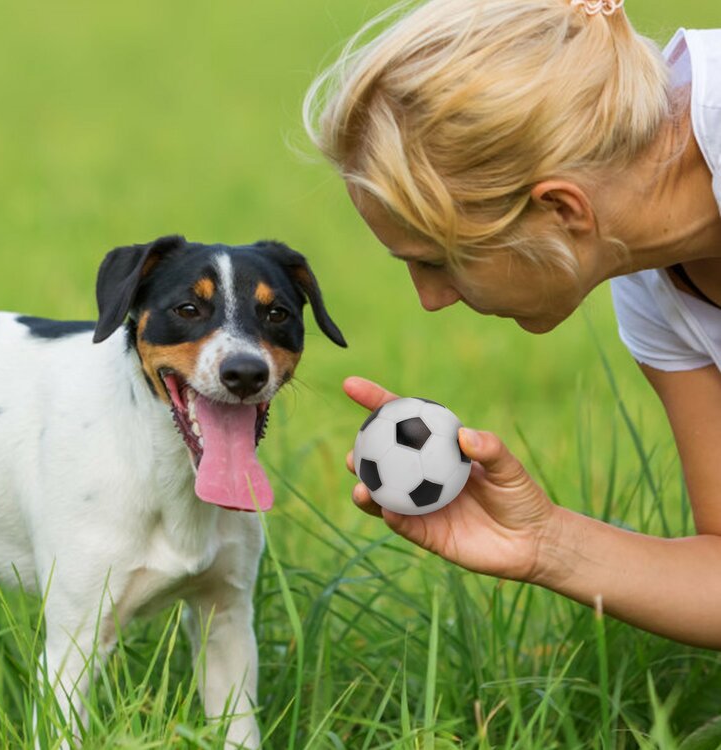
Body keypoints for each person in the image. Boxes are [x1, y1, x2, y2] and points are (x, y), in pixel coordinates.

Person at [303, 0, 721, 648]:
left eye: (437, 261)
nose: (430, 299)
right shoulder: (649, 271)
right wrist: (545, 541)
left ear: (560, 208)